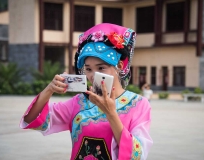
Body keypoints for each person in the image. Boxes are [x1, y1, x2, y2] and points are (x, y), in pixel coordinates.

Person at [19, 23, 153, 160]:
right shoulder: (79, 102)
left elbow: (138, 154)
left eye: (101, 68)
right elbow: (33, 119)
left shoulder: (138, 104)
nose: (93, 75)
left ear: (119, 66)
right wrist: (49, 90)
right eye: (88, 69)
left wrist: (111, 113)